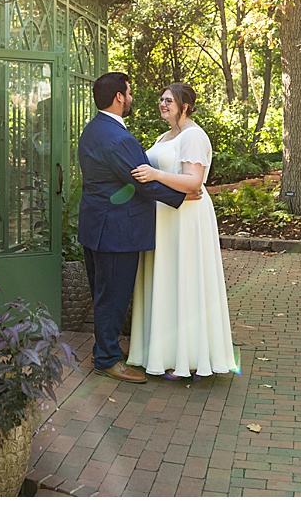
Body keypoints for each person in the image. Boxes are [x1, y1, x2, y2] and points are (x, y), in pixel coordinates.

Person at [78, 72, 189, 383]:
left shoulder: (93, 129)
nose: (131, 98)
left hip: (95, 226)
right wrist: (184, 195)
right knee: (112, 296)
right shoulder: (118, 138)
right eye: (129, 92)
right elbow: (143, 181)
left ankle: (104, 349)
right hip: (116, 232)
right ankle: (108, 359)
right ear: (118, 98)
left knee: (104, 293)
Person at [127, 82, 237, 379]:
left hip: (186, 217)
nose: (163, 104)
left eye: (169, 100)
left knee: (184, 279)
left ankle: (188, 355)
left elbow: (193, 182)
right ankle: (161, 353)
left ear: (185, 106)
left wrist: (154, 174)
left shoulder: (193, 136)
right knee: (166, 279)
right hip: (163, 216)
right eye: (161, 99)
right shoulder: (165, 136)